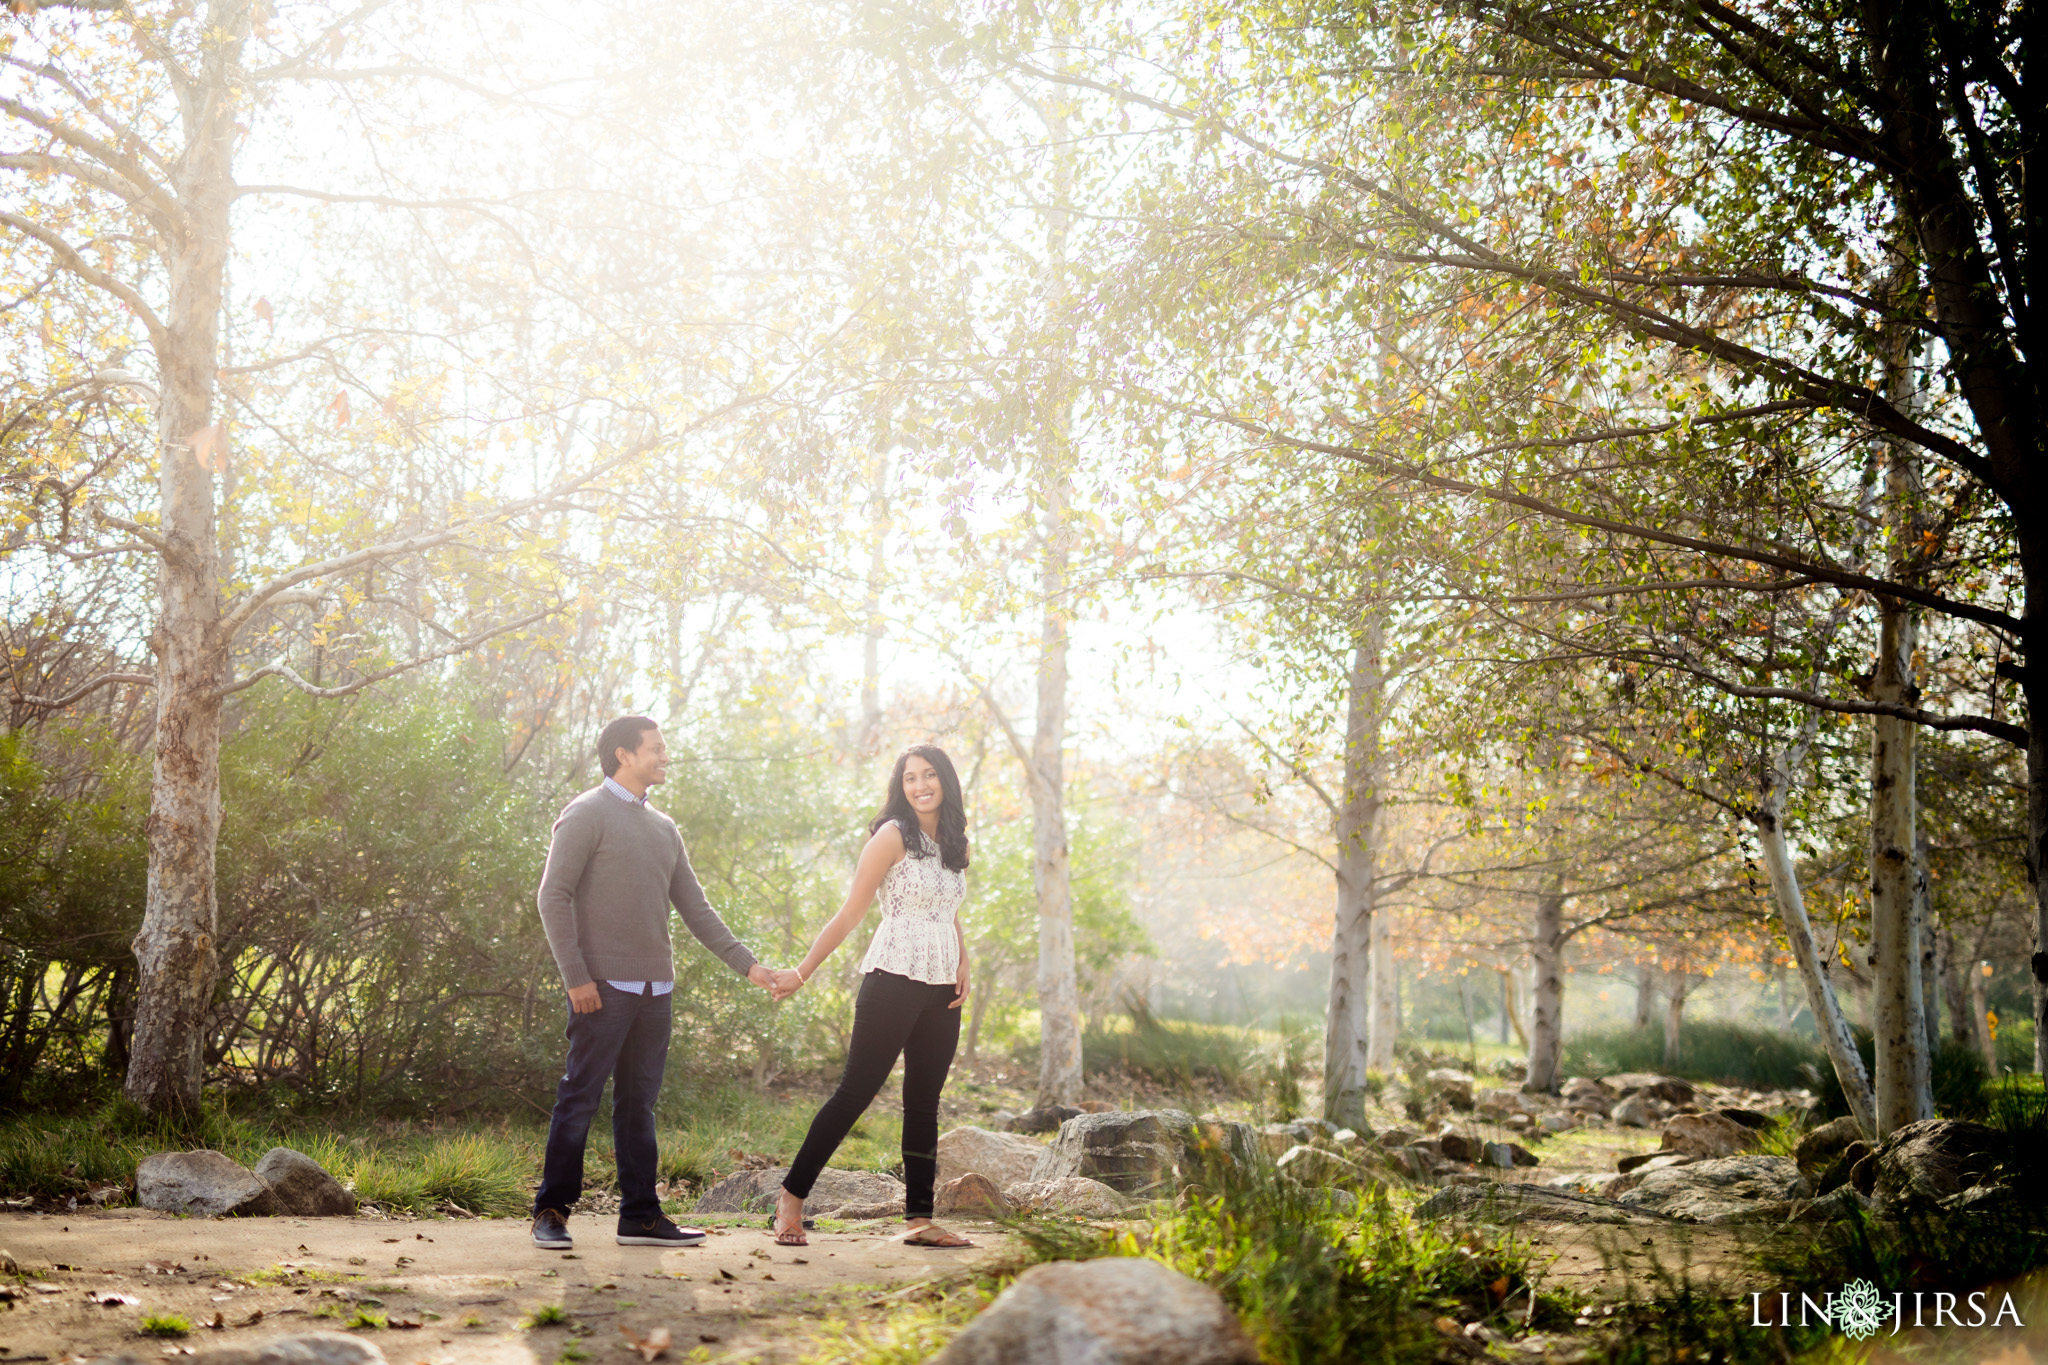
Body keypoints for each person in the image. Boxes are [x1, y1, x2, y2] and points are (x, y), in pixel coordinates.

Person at [530, 715, 798, 1251]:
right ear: (623, 755)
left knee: (639, 1105)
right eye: (655, 748)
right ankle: (552, 1211)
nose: (665, 755)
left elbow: (696, 909)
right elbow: (552, 896)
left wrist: (751, 966)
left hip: (656, 991)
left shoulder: (664, 827)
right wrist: (576, 977)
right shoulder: (585, 813)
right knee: (579, 1097)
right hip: (601, 989)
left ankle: (641, 1217)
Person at [768, 744, 974, 1248]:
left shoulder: (956, 843)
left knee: (925, 1103)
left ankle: (919, 1220)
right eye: (910, 777)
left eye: (929, 775)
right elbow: (850, 913)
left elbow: (947, 909)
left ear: (945, 781)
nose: (920, 785)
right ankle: (791, 1199)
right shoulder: (891, 836)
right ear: (900, 786)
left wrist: (964, 958)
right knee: (854, 1094)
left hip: (942, 985)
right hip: (893, 978)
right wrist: (802, 971)